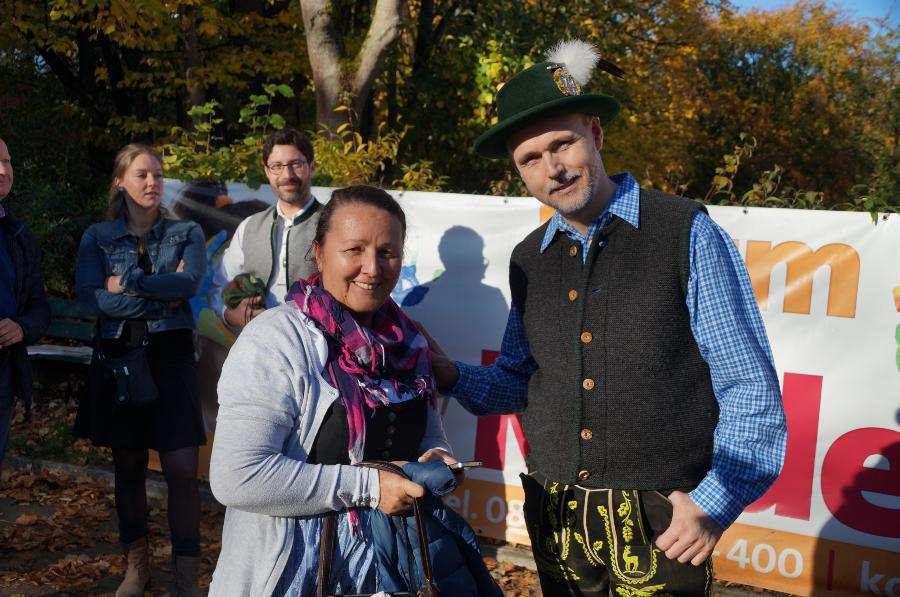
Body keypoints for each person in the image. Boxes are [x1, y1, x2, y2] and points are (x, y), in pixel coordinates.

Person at [422, 40, 788, 596]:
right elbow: (521, 380)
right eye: (530, 159)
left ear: (594, 133)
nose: (552, 169)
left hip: (663, 520)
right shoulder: (528, 258)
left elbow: (747, 383)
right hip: (556, 515)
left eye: (562, 144)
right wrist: (450, 375)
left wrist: (715, 502)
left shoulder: (684, 231)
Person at [209, 185, 497, 596]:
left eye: (387, 252)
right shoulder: (276, 339)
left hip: (393, 565)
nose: (372, 268)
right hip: (296, 570)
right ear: (319, 253)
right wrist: (372, 488)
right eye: (354, 250)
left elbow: (429, 436)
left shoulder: (409, 342)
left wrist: (435, 458)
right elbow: (238, 476)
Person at [75, 144, 208, 596]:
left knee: (182, 469)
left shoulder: (187, 231)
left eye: (158, 174)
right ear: (120, 182)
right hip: (120, 356)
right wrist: (159, 295)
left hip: (172, 357)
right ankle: (138, 568)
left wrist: (128, 283)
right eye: (142, 175)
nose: (153, 182)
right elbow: (91, 297)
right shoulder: (97, 237)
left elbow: (190, 283)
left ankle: (186, 580)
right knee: (128, 466)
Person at [209, 128, 322, 332]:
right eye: (277, 166)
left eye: (296, 164)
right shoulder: (249, 227)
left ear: (312, 167)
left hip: (322, 344)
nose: (287, 175)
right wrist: (229, 314)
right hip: (259, 343)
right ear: (267, 171)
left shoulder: (333, 224)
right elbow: (221, 285)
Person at [0, 137, 50, 468]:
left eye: (7, 161)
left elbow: (39, 307)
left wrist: (21, 327)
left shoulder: (19, 237)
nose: (3, 170)